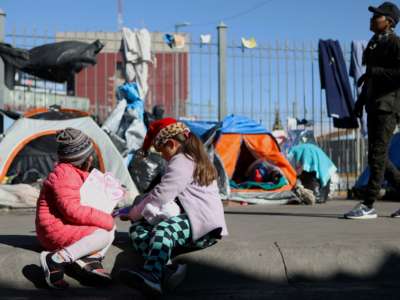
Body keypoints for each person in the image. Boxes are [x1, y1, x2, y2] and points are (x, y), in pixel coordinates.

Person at [119, 118, 228, 295]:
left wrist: (134, 212)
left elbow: (162, 194)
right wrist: (138, 207)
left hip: (204, 225)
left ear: (171, 143)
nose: (162, 156)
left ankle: (152, 276)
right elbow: (161, 190)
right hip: (189, 222)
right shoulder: (189, 158)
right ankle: (168, 270)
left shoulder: (182, 160)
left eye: (162, 151)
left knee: (164, 230)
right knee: (137, 230)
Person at [36, 128, 115, 289]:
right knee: (104, 235)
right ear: (84, 158)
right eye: (90, 155)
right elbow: (72, 211)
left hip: (65, 224)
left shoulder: (75, 172)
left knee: (110, 228)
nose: (92, 158)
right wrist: (105, 218)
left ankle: (89, 258)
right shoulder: (64, 175)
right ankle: (57, 259)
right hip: (54, 229)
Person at [345, 2, 400, 219]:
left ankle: (368, 204)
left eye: (378, 16)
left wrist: (374, 72)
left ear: (389, 22)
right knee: (378, 157)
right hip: (374, 105)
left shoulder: (395, 44)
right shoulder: (374, 44)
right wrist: (359, 103)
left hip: (389, 106)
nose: (372, 19)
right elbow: (370, 78)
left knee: (377, 155)